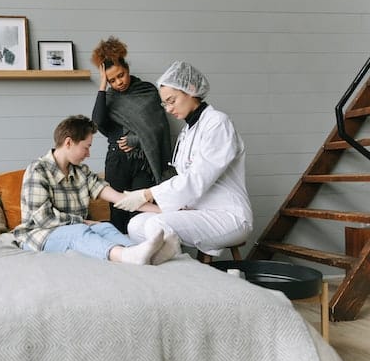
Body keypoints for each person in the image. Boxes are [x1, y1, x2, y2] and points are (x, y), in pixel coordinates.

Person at [113, 61, 253, 259]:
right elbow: (181, 179)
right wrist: (146, 201)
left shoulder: (217, 123)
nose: (168, 109)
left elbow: (197, 179)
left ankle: (179, 275)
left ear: (191, 89)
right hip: (197, 212)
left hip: (228, 215)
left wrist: (147, 194)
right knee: (136, 225)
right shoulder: (187, 132)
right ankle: (169, 268)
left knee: (156, 225)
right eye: (165, 103)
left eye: (172, 100)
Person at [13, 115, 177, 266]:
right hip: (39, 236)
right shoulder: (38, 170)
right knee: (79, 231)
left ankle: (149, 254)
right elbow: (44, 219)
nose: (88, 154)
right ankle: (125, 255)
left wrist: (164, 210)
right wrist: (83, 221)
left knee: (105, 228)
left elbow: (120, 199)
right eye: (86, 147)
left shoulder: (81, 172)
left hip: (76, 228)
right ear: (68, 142)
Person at [91, 36, 172, 233]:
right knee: (118, 212)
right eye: (112, 80)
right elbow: (98, 121)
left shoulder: (147, 91)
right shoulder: (109, 97)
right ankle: (121, 258)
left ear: (127, 70)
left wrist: (135, 140)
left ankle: (141, 257)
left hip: (143, 163)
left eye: (121, 75)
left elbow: (158, 128)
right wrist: (102, 85)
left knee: (141, 213)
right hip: (117, 162)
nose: (119, 82)